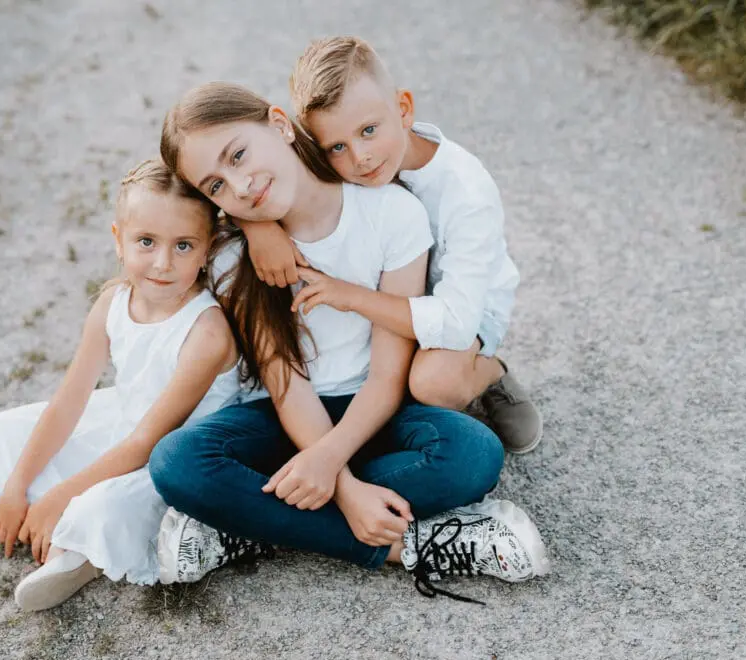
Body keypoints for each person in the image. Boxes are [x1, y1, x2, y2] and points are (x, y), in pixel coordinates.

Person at [149, 82, 549, 601]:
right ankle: (416, 544)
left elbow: (387, 377)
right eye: (217, 185)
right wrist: (347, 489)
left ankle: (246, 526)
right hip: (289, 417)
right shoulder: (232, 257)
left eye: (239, 155)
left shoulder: (391, 215)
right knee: (176, 462)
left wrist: (329, 461)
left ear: (279, 123)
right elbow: (286, 384)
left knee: (473, 454)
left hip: (376, 410)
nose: (242, 186)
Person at [242, 36, 542, 454]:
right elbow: (254, 174)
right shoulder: (338, 161)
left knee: (432, 382)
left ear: (403, 109)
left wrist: (351, 297)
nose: (360, 158)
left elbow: (456, 321)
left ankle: (489, 372)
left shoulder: (466, 191)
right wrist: (258, 228)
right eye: (337, 147)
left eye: (369, 131)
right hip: (388, 289)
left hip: (462, 306)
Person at [0, 160, 241, 611]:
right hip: (123, 420)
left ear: (208, 250)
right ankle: (56, 521)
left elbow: (148, 442)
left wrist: (59, 494)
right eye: (146, 242)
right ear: (119, 240)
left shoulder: (206, 332)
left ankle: (75, 552)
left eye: (184, 245)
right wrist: (18, 483)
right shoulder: (113, 302)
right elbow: (68, 403)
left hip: (171, 451)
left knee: (102, 506)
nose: (163, 262)